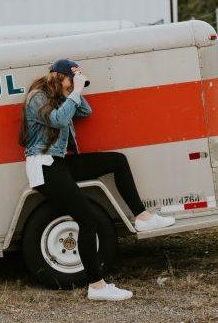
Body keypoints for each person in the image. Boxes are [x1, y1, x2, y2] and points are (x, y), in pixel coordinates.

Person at [19, 58, 176, 301]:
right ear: (57, 77)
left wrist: (74, 89)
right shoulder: (36, 97)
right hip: (45, 166)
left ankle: (142, 218)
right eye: (70, 80)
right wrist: (75, 91)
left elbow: (85, 111)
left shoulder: (62, 95)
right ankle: (97, 286)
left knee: (118, 161)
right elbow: (59, 120)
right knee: (87, 220)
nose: (73, 86)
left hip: (61, 162)